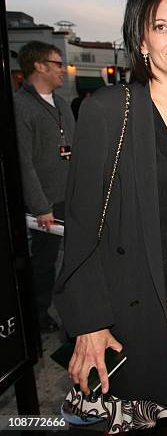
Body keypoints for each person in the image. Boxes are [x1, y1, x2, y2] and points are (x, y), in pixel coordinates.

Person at [53, 0, 167, 434]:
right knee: (128, 424)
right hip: (126, 307)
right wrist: (89, 322)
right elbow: (81, 224)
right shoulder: (108, 111)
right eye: (162, 26)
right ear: (141, 40)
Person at [14, 41, 75, 333]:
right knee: (44, 262)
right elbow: (23, 163)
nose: (63, 69)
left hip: (69, 197)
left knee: (74, 259)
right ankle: (37, 315)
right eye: (57, 63)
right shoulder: (20, 106)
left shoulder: (62, 103)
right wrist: (40, 207)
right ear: (39, 66)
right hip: (45, 205)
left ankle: (74, 313)